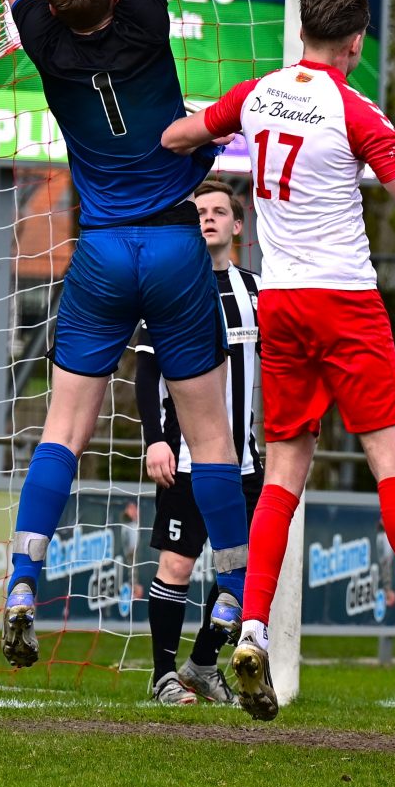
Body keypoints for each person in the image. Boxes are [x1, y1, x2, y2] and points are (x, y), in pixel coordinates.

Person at [0, 0, 252, 667]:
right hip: (174, 246)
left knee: (63, 427)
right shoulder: (143, 17)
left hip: (99, 251)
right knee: (210, 434)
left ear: (53, 6)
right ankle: (234, 595)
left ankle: (24, 576)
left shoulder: (45, 43)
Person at [160, 0, 395, 722]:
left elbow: (181, 136)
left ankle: (252, 628)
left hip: (280, 304)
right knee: (392, 459)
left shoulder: (256, 94)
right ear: (355, 41)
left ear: (302, 32)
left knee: (284, 472)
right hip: (345, 302)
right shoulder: (355, 110)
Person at [133, 180, 263, 706]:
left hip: (244, 461)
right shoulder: (170, 288)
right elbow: (146, 374)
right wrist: (155, 441)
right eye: (199, 212)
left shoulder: (259, 292)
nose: (207, 218)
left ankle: (203, 665)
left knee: (242, 569)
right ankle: (163, 676)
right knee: (178, 566)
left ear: (237, 225)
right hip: (184, 459)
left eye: (218, 211)